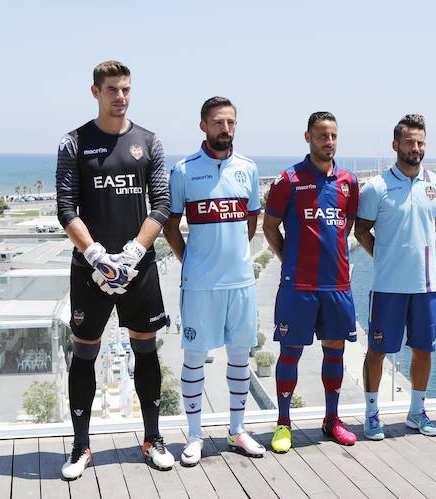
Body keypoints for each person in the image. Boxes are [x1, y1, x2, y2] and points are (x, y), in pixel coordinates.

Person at [56, 60, 173, 479]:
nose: (120, 96)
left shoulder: (149, 142)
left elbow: (160, 205)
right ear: (95, 92)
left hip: (136, 268)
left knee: (146, 350)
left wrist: (131, 254)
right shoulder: (73, 143)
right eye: (111, 90)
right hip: (91, 269)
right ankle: (81, 447)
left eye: (125, 89)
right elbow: (66, 209)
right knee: (84, 352)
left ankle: (152, 438)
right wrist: (96, 257)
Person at [163, 96, 266, 465]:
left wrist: (234, 255)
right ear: (203, 126)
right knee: (194, 358)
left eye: (231, 122)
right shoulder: (184, 170)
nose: (226, 129)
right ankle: (193, 436)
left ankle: (237, 430)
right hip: (200, 284)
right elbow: (171, 226)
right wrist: (190, 259)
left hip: (240, 282)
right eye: (219, 122)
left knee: (240, 359)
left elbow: (251, 223)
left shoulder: (248, 169)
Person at [263, 112, 360, 453]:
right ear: (308, 137)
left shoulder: (349, 181)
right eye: (322, 135)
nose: (329, 141)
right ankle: (283, 424)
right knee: (290, 353)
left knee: (335, 351)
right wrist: (288, 259)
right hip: (298, 287)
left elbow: (343, 229)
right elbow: (269, 228)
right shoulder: (288, 180)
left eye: (333, 135)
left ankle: (332, 420)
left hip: (337, 287)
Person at [355, 114, 436, 439]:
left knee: (424, 350)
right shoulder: (376, 188)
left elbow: (434, 228)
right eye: (409, 142)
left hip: (426, 287)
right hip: (387, 288)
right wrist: (385, 255)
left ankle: (417, 412)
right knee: (377, 352)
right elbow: (361, 230)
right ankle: (371, 414)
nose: (416, 148)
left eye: (421, 142)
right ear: (395, 144)